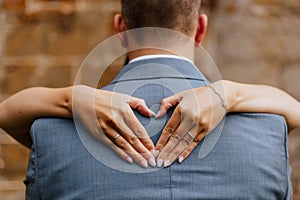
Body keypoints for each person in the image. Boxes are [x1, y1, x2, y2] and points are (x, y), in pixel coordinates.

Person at [0, 0, 297, 199]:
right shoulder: (269, 133)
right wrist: (228, 92)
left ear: (120, 29)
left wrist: (70, 98)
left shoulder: (50, 135)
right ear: (201, 29)